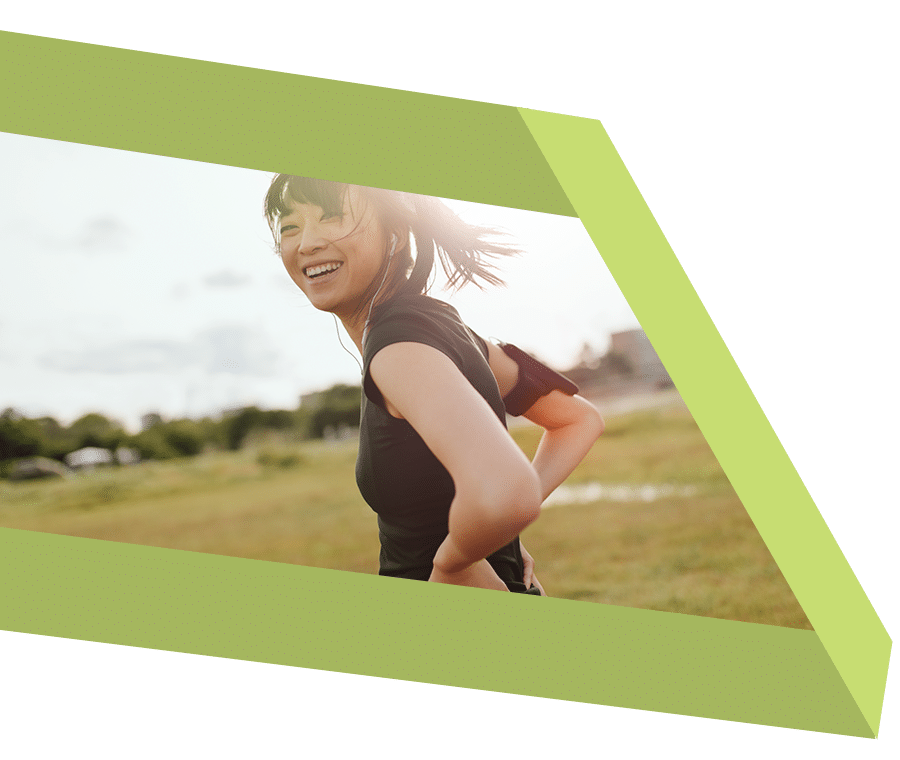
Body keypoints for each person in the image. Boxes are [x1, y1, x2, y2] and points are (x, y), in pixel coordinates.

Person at [265, 175, 604, 594]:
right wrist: (488, 536)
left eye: (333, 218)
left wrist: (455, 562)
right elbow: (578, 420)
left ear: (394, 236)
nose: (307, 243)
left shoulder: (399, 350)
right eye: (290, 227)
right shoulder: (446, 328)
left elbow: (507, 490)